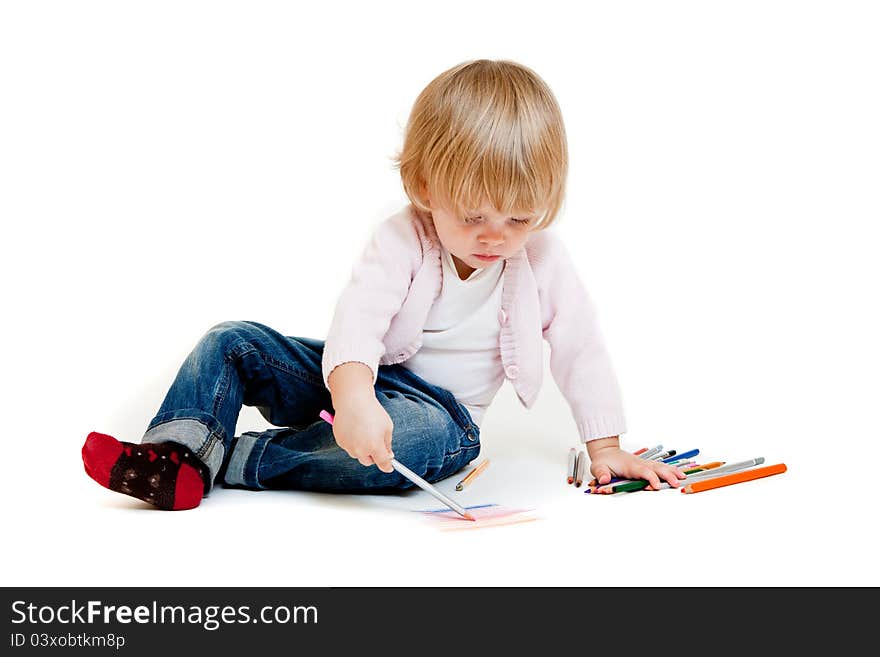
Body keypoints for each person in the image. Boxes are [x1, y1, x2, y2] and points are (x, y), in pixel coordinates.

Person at [81, 59, 686, 510]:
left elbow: (581, 347)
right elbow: (359, 322)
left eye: (519, 219)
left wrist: (605, 447)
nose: (496, 236)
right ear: (426, 188)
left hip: (445, 418)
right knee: (232, 340)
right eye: (474, 216)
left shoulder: (544, 260)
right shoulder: (404, 238)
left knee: (410, 441)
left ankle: (236, 459)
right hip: (362, 374)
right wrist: (352, 397)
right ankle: (176, 455)